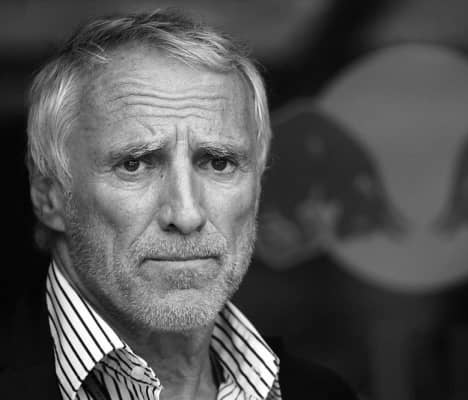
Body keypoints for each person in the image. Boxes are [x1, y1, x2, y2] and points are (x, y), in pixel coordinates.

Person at [1, 10, 358, 400]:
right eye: (134, 164)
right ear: (49, 196)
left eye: (219, 162)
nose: (187, 215)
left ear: (257, 186)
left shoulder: (322, 394)